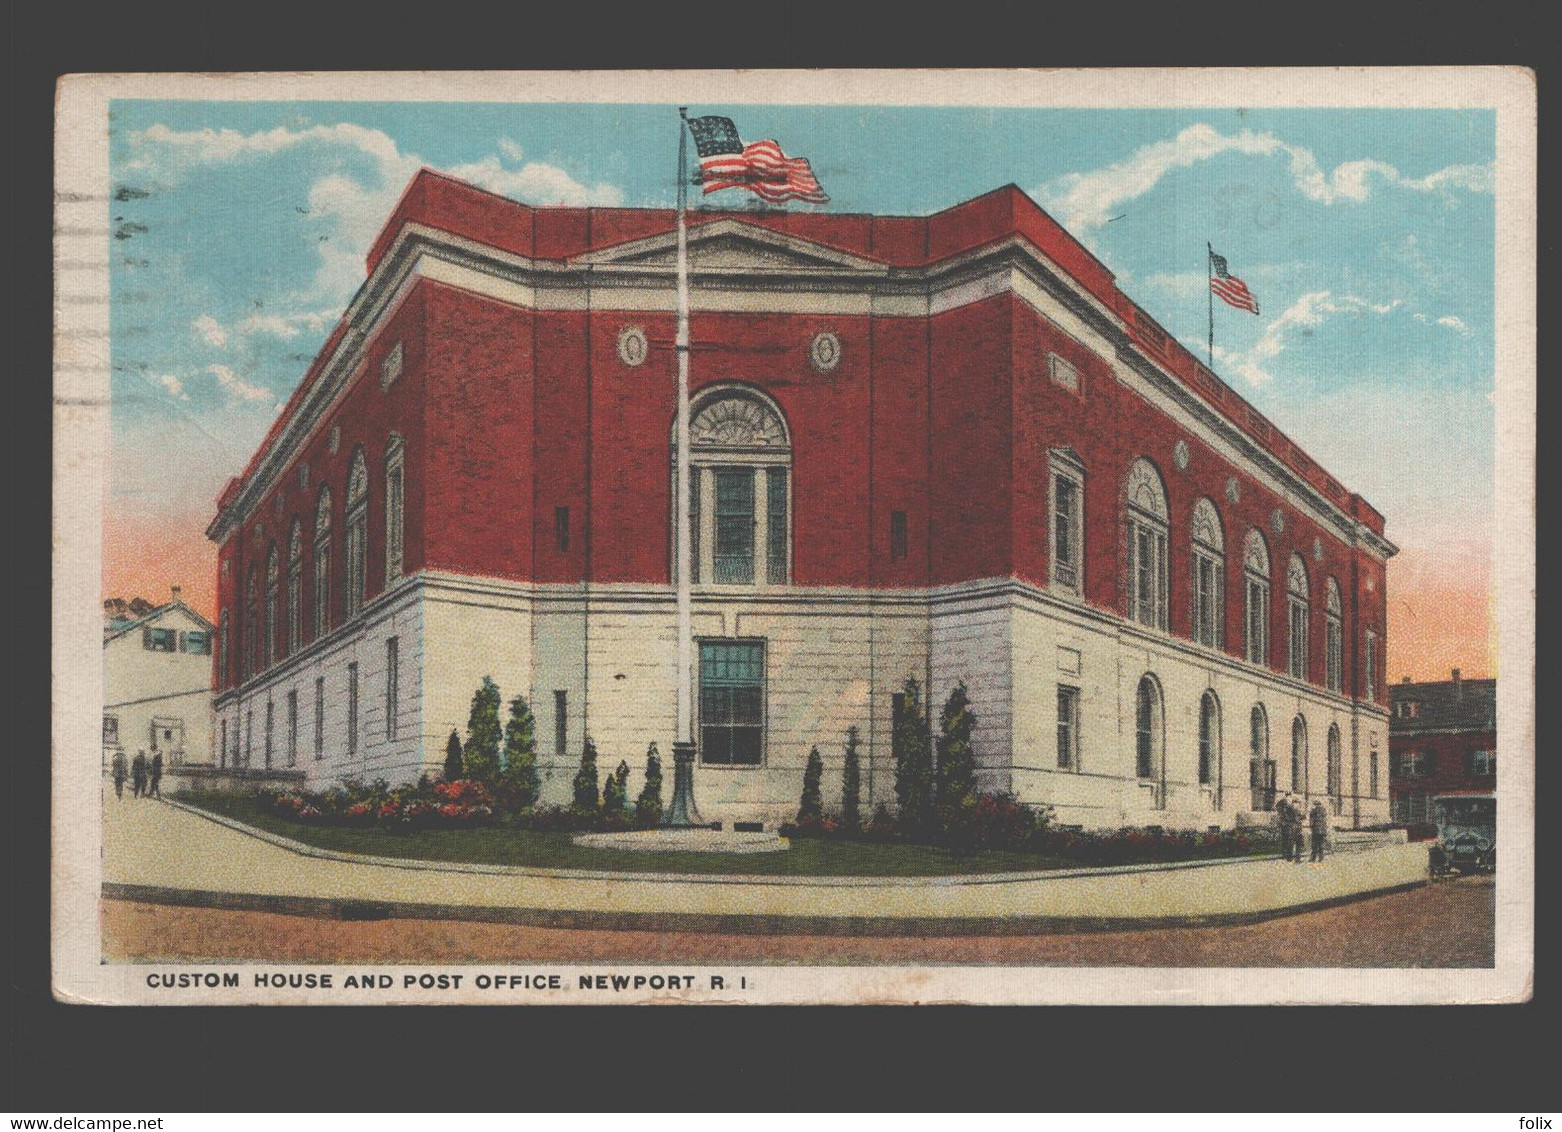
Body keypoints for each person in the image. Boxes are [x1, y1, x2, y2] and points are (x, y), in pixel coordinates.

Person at [1274, 795, 1293, 861]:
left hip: (1288, 826)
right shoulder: (1284, 808)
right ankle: (1286, 855)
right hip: (1286, 827)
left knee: (1288, 841)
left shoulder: (1289, 808)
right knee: (1286, 841)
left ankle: (1288, 855)